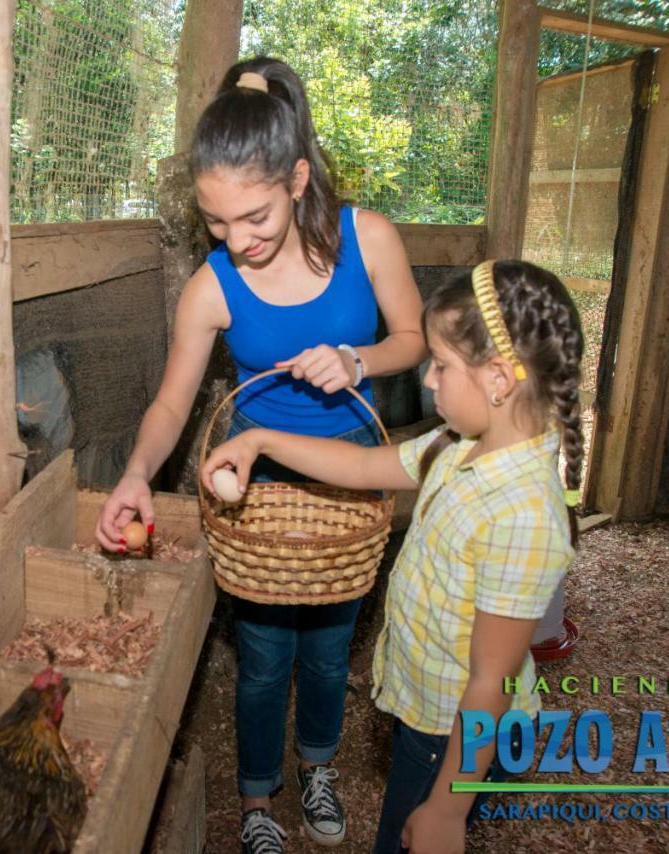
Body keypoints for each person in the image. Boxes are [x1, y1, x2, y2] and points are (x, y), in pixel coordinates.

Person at [94, 57, 426, 852]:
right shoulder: (211, 286)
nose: (236, 240)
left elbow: (413, 341)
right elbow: (173, 402)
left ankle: (316, 765)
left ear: (298, 178)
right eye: (216, 222)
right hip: (254, 476)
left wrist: (358, 362)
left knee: (329, 645)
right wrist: (136, 473)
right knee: (265, 654)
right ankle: (255, 799)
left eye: (254, 219)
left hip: (351, 468)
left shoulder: (368, 237)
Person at [202, 259, 585, 854]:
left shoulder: (523, 516)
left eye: (443, 365)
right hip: (428, 711)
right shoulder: (457, 445)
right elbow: (360, 465)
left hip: (453, 733)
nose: (428, 379)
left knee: (411, 834)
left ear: (499, 380)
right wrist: (259, 439)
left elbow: (493, 680)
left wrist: (449, 807)